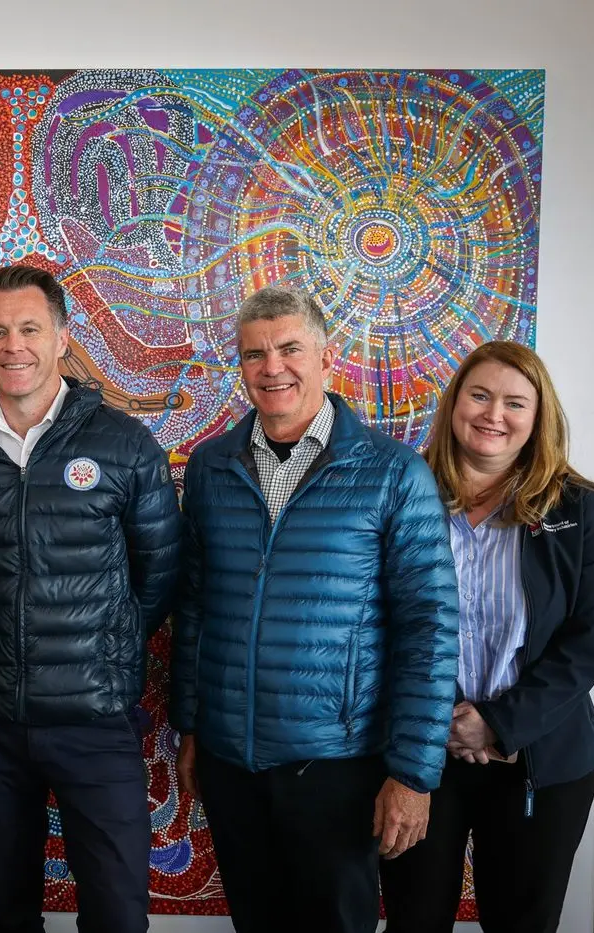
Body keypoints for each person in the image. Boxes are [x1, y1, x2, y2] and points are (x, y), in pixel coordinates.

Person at [171, 285, 460, 933]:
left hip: (337, 766)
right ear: (240, 366)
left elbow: (429, 630)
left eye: (289, 348)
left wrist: (413, 773)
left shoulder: (392, 473)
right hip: (229, 761)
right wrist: (191, 724)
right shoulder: (211, 466)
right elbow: (193, 605)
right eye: (254, 354)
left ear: (326, 357)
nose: (272, 367)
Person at [0, 265, 181, 932]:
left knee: (117, 910)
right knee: (8, 912)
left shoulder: (123, 444)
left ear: (61, 337)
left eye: (30, 328)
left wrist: (106, 645)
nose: (15, 345)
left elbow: (158, 571)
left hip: (94, 720)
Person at [380, 341, 594, 932]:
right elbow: (370, 621)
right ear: (455, 404)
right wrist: (433, 720)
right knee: (414, 922)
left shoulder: (578, 511)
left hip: (538, 762)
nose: (495, 414)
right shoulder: (399, 494)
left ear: (536, 419)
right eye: (481, 395)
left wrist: (499, 721)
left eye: (515, 402)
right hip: (421, 755)